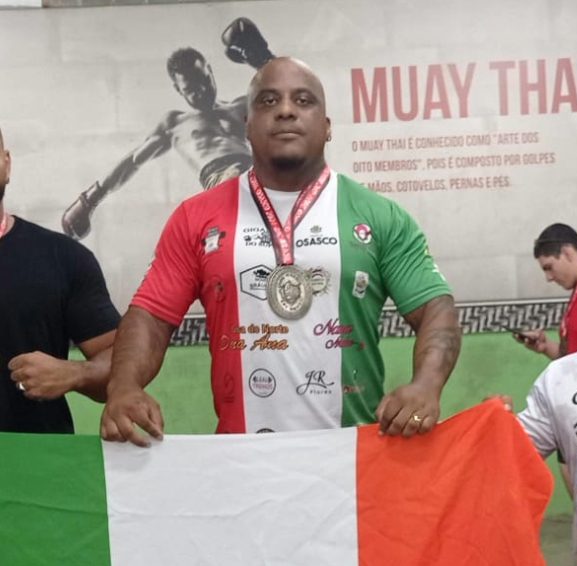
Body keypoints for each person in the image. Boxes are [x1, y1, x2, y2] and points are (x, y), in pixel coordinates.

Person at [100, 57, 461, 447]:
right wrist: (124, 386)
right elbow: (151, 316)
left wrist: (426, 385)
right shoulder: (196, 218)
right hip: (243, 460)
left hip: (354, 459)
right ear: (247, 125)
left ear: (327, 127)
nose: (286, 110)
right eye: (268, 101)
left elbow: (435, 308)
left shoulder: (379, 216)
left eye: (303, 100)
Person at [61, 17, 275, 240]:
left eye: (204, 80)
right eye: (191, 89)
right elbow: (133, 161)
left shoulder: (242, 106)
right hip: (223, 182)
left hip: (257, 178)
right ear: (178, 89)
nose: (201, 91)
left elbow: (292, 101)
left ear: (210, 71)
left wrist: (261, 58)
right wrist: (91, 199)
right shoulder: (175, 123)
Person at [0, 127, 120, 433]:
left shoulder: (63, 258)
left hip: (37, 458)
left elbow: (123, 363)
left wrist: (77, 373)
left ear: (7, 163)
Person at [507, 221, 577, 564]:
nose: (548, 277)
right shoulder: (558, 381)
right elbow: (508, 454)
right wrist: (490, 426)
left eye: (549, 267)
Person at [515, 223, 577, 359]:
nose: (548, 278)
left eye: (549, 267)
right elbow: (573, 361)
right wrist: (546, 347)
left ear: (567, 253)